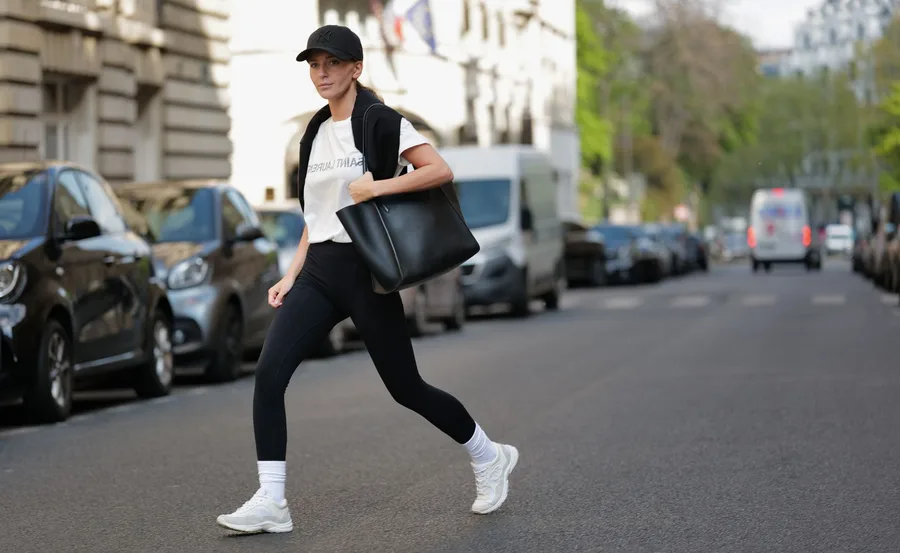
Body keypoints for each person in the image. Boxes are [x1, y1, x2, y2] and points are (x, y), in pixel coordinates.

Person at [216, 25, 519, 534]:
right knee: (269, 376)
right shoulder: (312, 131)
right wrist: (291, 274)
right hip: (319, 271)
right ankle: (272, 501)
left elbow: (438, 170)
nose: (322, 74)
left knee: (405, 387)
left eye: (332, 63)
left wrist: (377, 186)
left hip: (366, 270)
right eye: (314, 65)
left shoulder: (379, 121)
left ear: (356, 68)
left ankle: (488, 455)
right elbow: (318, 214)